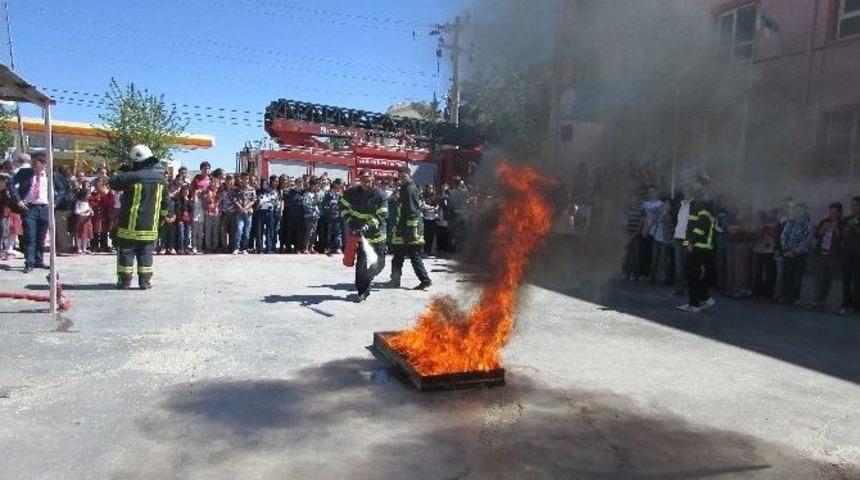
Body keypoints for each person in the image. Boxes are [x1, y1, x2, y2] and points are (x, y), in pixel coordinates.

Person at [109, 145, 169, 289]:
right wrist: (160, 220)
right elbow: (166, 203)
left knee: (126, 253)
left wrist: (121, 171)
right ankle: (145, 282)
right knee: (146, 253)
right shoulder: (161, 179)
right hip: (150, 226)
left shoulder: (130, 176)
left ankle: (124, 282)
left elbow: (113, 183)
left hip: (129, 226)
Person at [340, 169, 388, 302]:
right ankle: (362, 291)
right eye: (363, 180)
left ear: (373, 179)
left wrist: (368, 225)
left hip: (377, 235)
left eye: (368, 180)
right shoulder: (351, 192)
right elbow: (343, 207)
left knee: (379, 264)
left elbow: (382, 215)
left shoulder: (380, 195)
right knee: (361, 264)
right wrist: (350, 220)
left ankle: (367, 279)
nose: (365, 183)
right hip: (361, 235)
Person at [10, 152, 60, 273]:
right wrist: (18, 200)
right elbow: (10, 184)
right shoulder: (24, 173)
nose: (32, 165)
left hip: (44, 208)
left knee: (41, 237)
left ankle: (39, 260)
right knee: (30, 236)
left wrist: (55, 202)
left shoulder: (50, 175)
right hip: (29, 207)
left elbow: (62, 189)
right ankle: (29, 262)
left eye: (35, 163)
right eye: (32, 162)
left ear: (43, 164)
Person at [387, 166, 432, 290]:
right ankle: (395, 280)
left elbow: (412, 211)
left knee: (413, 254)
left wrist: (408, 231)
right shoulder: (406, 188)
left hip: (410, 229)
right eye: (399, 176)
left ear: (409, 174)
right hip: (404, 227)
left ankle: (425, 280)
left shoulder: (409, 189)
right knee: (398, 255)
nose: (401, 178)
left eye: (403, 176)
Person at [676, 195, 716, 313]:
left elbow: (700, 229)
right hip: (701, 247)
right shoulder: (704, 210)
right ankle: (704, 298)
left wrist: (691, 242)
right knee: (697, 275)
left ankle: (694, 304)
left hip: (698, 247)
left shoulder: (701, 210)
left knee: (692, 275)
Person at [779, 203, 813, 305]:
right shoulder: (790, 222)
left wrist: (795, 251)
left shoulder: (807, 225)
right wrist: (786, 248)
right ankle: (785, 296)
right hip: (788, 252)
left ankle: (795, 297)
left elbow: (807, 240)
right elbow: (783, 236)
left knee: (797, 276)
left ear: (804, 211)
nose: (798, 212)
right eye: (796, 210)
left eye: (800, 210)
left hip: (800, 255)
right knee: (786, 275)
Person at [812, 202, 843, 310]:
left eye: (835, 213)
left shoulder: (841, 224)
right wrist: (822, 229)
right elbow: (817, 235)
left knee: (828, 280)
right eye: (831, 212)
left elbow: (841, 238)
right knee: (819, 278)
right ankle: (816, 301)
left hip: (833, 256)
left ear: (839, 213)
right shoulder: (824, 222)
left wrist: (836, 228)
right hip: (821, 254)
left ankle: (822, 300)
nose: (832, 215)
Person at [671, 185, 694, 295]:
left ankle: (691, 288)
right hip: (678, 238)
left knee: (689, 264)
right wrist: (674, 236)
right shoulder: (681, 205)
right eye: (684, 191)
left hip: (687, 238)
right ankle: (678, 289)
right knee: (678, 265)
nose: (686, 193)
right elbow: (679, 223)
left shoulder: (694, 206)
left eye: (688, 191)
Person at [841, 197, 860, 314]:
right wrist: (849, 226)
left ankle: (856, 305)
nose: (853, 207)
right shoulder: (847, 219)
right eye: (852, 205)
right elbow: (843, 234)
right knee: (846, 279)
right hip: (847, 253)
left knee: (858, 281)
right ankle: (846, 303)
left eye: (856, 205)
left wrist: (855, 225)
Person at [231, 172, 256, 254]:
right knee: (239, 229)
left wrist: (246, 207)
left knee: (246, 231)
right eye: (243, 179)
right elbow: (234, 199)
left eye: (247, 179)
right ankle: (236, 248)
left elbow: (253, 200)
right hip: (239, 213)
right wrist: (240, 208)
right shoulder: (237, 189)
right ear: (241, 179)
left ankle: (244, 248)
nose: (245, 180)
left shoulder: (252, 189)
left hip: (248, 213)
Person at [74, 188, 94, 254]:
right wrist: (84, 211)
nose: (89, 196)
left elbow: (89, 210)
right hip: (80, 219)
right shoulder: (78, 202)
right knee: (80, 234)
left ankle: (84, 248)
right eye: (88, 194)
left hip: (87, 219)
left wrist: (91, 212)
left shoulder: (87, 202)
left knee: (86, 234)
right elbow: (76, 211)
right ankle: (79, 248)